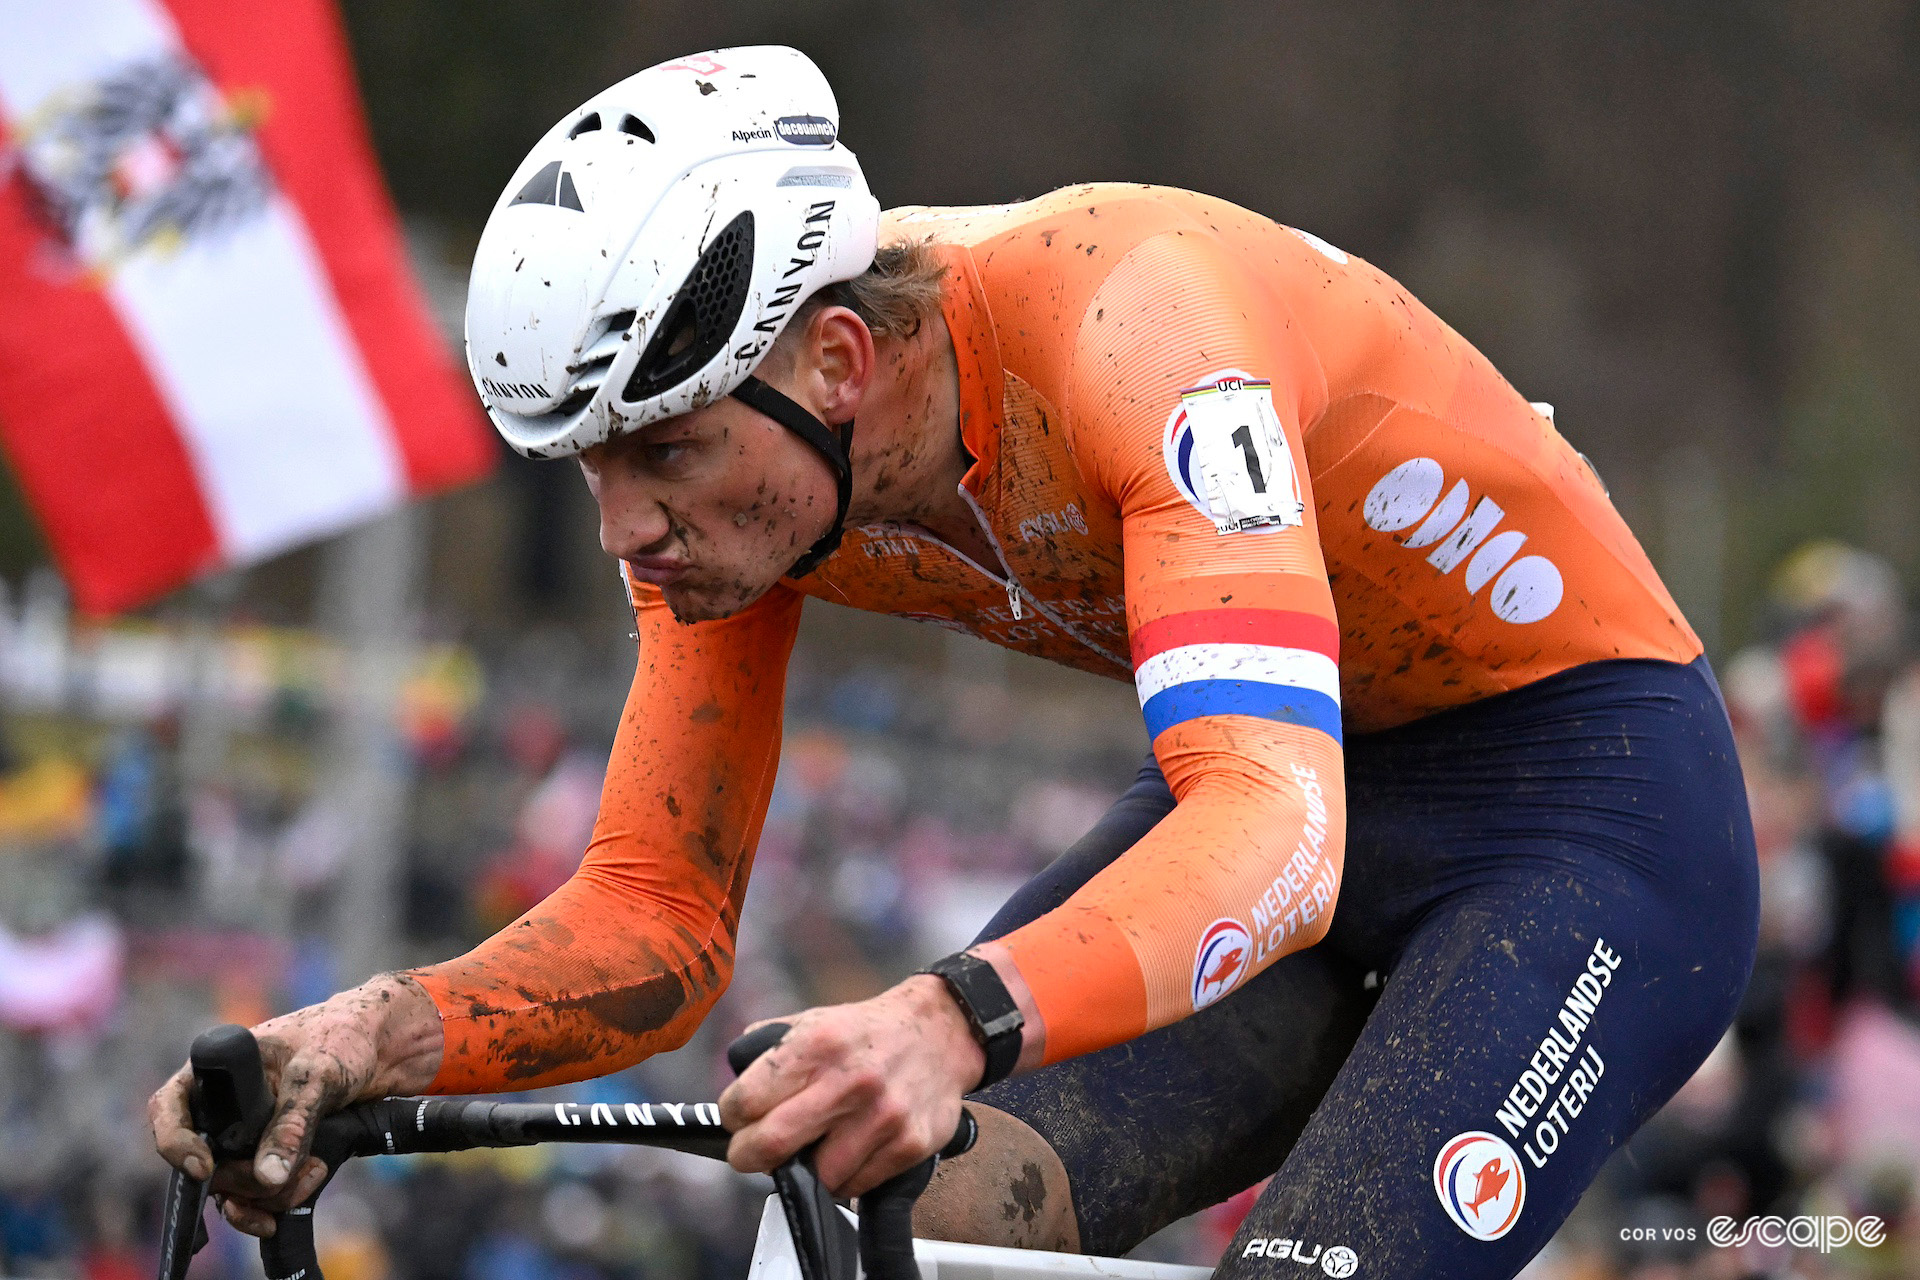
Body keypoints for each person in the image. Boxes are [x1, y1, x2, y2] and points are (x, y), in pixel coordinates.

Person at [150, 46, 1759, 1278]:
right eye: (590, 470)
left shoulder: (1137, 329)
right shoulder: (760, 495)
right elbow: (657, 919)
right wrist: (365, 1030)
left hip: (1586, 815)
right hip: (1297, 801)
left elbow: (1275, 821)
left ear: (837, 361)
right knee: (871, 1209)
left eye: (660, 457)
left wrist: (949, 1016)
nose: (623, 531)